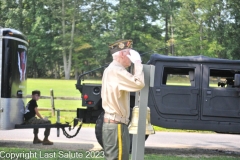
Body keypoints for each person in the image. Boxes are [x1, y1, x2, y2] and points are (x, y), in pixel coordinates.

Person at [101, 39, 145, 160]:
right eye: (129, 53)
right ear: (121, 54)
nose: (131, 57)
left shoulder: (113, 69)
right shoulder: (116, 70)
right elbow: (139, 83)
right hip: (116, 125)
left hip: (115, 123)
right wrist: (138, 62)